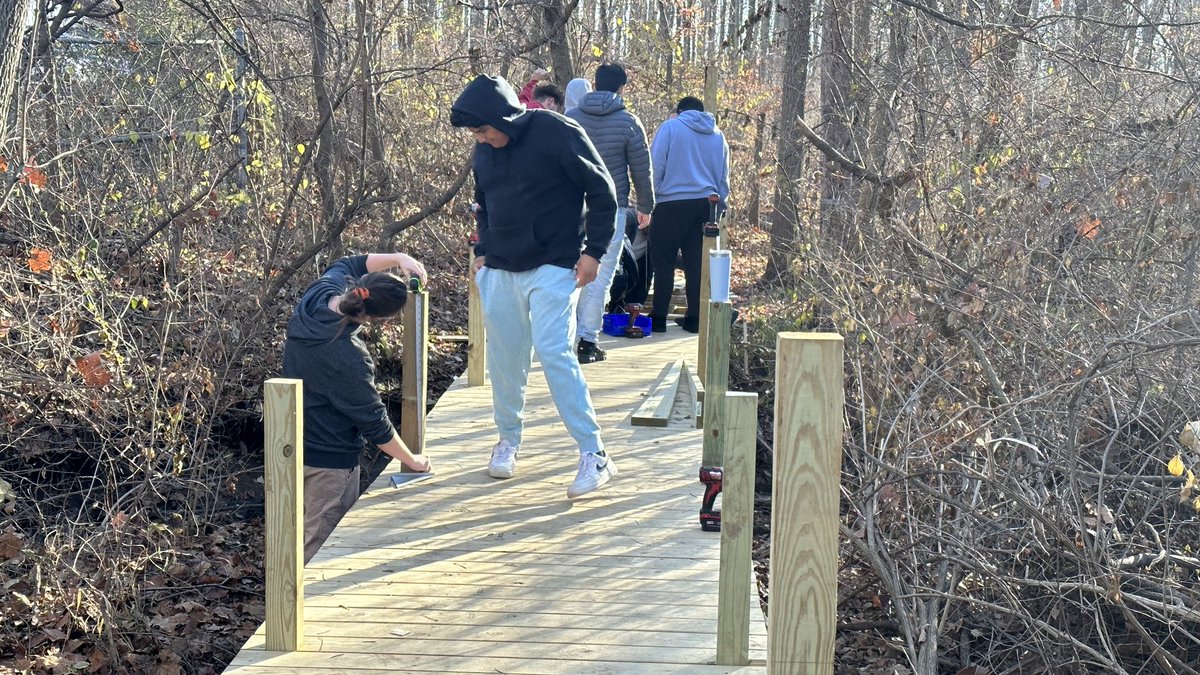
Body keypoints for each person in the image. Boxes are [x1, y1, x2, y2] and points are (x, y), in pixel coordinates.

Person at [450, 74, 621, 498]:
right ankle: (508, 439)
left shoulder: (557, 132)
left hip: (556, 263)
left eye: (484, 130)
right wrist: (483, 250)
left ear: (503, 117)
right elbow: (483, 202)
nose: (481, 139)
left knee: (553, 350)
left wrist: (593, 252)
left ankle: (594, 453)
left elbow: (603, 192)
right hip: (502, 267)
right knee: (505, 358)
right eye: (475, 134)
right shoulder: (484, 151)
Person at [282, 252, 431, 564]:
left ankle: (289, 599)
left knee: (294, 534)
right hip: (330, 461)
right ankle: (307, 610)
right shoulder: (349, 356)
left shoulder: (316, 297)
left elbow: (349, 263)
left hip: (288, 446)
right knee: (320, 549)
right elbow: (374, 422)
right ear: (375, 319)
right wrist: (412, 460)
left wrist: (399, 258)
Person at [566, 62, 654, 363]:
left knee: (571, 271)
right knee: (600, 275)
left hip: (572, 208)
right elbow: (641, 170)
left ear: (595, 83)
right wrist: (646, 208)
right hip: (612, 207)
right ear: (621, 88)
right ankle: (586, 342)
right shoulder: (628, 122)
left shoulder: (571, 118)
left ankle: (564, 339)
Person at [647, 96, 730, 333]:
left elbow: (656, 165)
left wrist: (653, 197)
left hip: (671, 203)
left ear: (680, 111)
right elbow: (724, 177)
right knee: (697, 264)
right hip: (705, 205)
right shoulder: (718, 135)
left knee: (663, 262)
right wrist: (720, 207)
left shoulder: (671, 127)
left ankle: (659, 317)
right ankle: (695, 319)